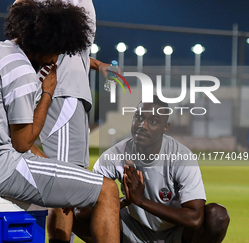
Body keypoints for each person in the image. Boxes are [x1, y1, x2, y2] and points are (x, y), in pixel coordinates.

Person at [0, 0, 120, 243]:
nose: (55, 60)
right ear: (44, 43)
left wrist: (63, 177)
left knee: (76, 181)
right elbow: (22, 143)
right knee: (106, 190)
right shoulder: (21, 70)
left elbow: (11, 135)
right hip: (4, 170)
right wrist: (47, 92)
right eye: (57, 50)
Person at [14, 0, 111, 242]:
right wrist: (30, 56)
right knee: (64, 185)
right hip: (63, 95)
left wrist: (96, 64)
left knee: (65, 185)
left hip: (68, 94)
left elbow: (73, 52)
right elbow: (20, 7)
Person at [73, 95, 230, 243]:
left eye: (153, 121)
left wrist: (141, 201)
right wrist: (125, 200)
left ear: (165, 128)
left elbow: (195, 218)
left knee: (217, 216)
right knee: (66, 210)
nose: (143, 126)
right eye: (139, 118)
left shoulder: (181, 156)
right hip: (131, 228)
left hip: (175, 232)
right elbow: (81, 212)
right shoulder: (113, 156)